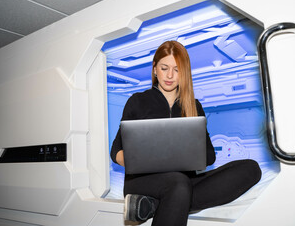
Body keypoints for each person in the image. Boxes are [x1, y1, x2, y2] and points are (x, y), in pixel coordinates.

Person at [110, 40, 262, 226]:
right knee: (178, 182)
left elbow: (209, 156)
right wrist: (137, 160)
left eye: (177, 69)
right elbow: (115, 150)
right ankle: (169, 197)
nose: (170, 75)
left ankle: (155, 206)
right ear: (154, 68)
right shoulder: (138, 101)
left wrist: (189, 154)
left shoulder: (194, 105)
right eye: (164, 68)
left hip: (184, 180)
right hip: (143, 181)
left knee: (251, 168)